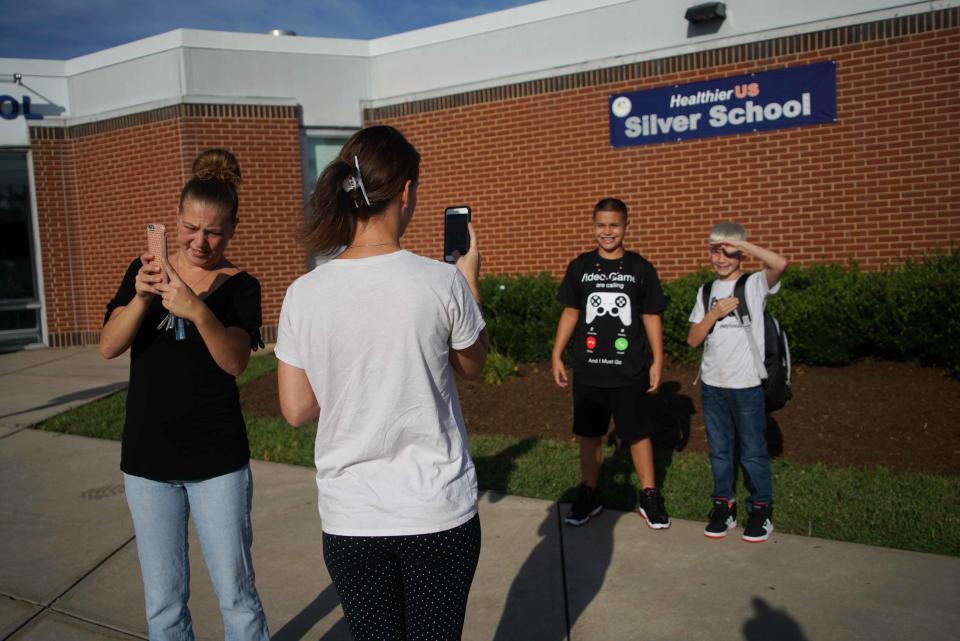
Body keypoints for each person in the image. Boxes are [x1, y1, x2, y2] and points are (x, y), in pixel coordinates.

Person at [274, 125, 488, 641]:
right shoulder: (442, 283)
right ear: (408, 192)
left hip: (352, 520)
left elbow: (297, 409)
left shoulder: (304, 293)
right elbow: (473, 366)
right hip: (436, 514)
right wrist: (470, 279)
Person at [99, 149, 269, 640]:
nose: (200, 241)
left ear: (231, 230)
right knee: (164, 603)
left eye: (213, 231)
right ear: (177, 220)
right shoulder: (144, 271)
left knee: (236, 596)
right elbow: (109, 346)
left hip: (217, 462)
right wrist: (143, 297)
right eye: (192, 227)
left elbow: (235, 360)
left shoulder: (240, 286)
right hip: (148, 462)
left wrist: (196, 309)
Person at [551, 198, 670, 529]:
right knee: (589, 434)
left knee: (637, 433)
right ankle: (589, 494)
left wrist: (657, 359)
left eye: (614, 225)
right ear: (593, 227)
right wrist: (556, 353)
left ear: (626, 227)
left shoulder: (639, 268)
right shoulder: (580, 267)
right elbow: (572, 311)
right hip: (589, 370)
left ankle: (649, 495)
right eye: (601, 225)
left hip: (629, 369)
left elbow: (650, 315)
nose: (608, 232)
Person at [686, 222, 788, 542]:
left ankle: (760, 509)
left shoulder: (755, 284)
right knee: (719, 451)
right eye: (715, 250)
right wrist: (713, 315)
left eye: (728, 250)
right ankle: (723, 507)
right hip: (713, 384)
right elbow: (692, 339)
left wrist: (742, 245)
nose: (721, 257)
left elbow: (780, 264)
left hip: (746, 385)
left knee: (753, 452)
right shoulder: (705, 291)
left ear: (740, 252)